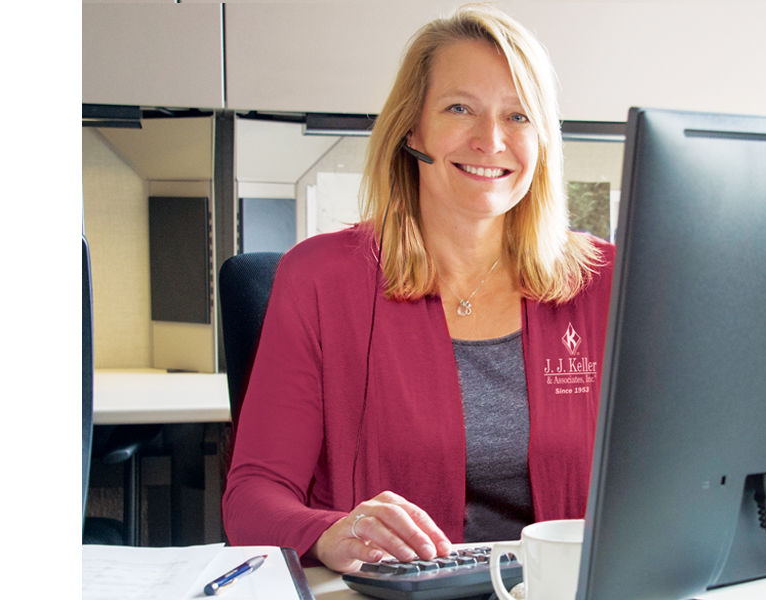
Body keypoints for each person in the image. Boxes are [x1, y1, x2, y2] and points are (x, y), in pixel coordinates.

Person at [221, 4, 614, 574]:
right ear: (413, 128)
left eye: (518, 116)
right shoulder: (319, 280)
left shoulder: (605, 284)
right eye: (460, 108)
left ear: (543, 138)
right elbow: (252, 497)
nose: (490, 140)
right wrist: (329, 530)